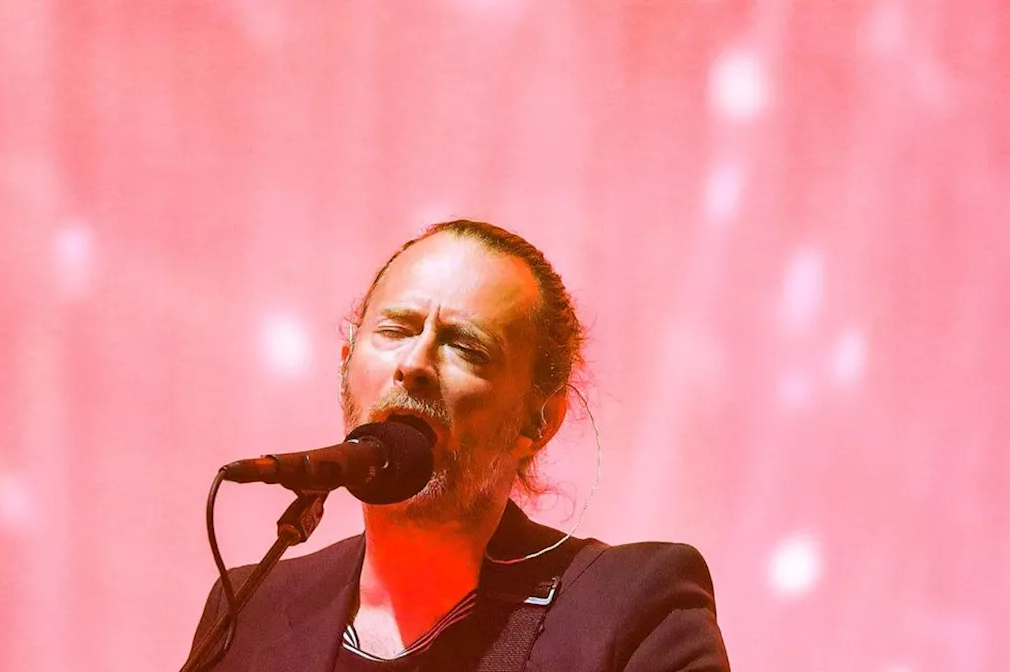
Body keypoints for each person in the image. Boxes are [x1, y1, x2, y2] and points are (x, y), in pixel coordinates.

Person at [185, 220, 730, 671]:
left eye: (466, 347)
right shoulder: (249, 606)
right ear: (345, 367)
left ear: (538, 422)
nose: (415, 364)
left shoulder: (634, 606)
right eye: (395, 330)